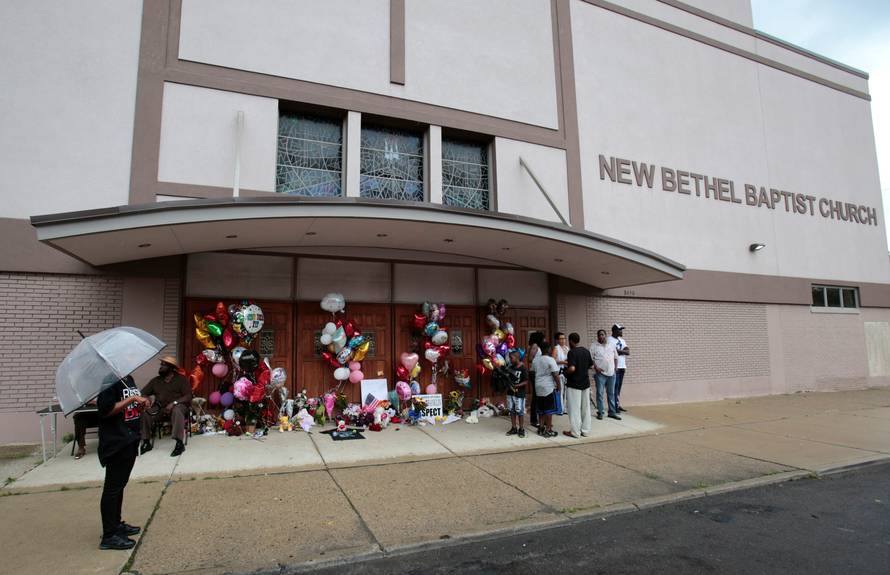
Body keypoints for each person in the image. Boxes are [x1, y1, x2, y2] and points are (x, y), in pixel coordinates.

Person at [97, 374, 150, 550]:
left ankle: (116, 524)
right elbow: (106, 410)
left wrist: (140, 405)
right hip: (116, 441)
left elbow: (130, 409)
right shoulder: (109, 381)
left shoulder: (128, 378)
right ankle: (109, 535)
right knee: (112, 489)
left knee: (120, 485)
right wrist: (133, 399)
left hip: (130, 438)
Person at [140, 356, 191, 457]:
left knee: (177, 410)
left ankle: (179, 443)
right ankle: (146, 442)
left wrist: (174, 403)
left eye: (163, 365)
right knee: (145, 413)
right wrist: (146, 399)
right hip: (160, 408)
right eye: (161, 364)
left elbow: (189, 396)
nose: (160, 367)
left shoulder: (181, 380)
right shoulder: (156, 381)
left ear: (171, 368)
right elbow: (143, 393)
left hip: (178, 406)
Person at [562, 333, 593, 438]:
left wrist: (564, 374)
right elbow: (591, 366)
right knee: (585, 408)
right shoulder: (586, 351)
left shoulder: (572, 352)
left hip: (574, 384)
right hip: (585, 383)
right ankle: (585, 430)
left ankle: (575, 432)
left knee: (574, 409)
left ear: (570, 341)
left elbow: (572, 368)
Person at [532, 341, 560, 437]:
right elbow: (556, 375)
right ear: (548, 349)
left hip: (538, 387)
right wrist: (559, 387)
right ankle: (548, 429)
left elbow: (532, 372)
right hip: (548, 387)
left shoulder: (535, 360)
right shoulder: (550, 360)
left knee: (541, 409)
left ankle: (541, 428)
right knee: (549, 410)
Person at [592, 329, 620, 420]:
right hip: (600, 374)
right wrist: (596, 367)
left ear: (605, 335)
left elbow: (616, 357)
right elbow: (591, 359)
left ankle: (612, 412)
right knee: (600, 393)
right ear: (597, 336)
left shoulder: (611, 345)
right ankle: (600, 412)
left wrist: (615, 368)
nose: (601, 336)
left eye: (602, 334)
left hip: (611, 373)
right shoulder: (594, 346)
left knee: (611, 393)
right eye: (599, 335)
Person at [505, 349, 529, 438]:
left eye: (511, 358)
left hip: (520, 394)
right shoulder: (510, 367)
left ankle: (521, 428)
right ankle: (514, 427)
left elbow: (526, 381)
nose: (510, 360)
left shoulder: (523, 368)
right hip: (510, 393)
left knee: (520, 411)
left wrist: (517, 385)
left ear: (517, 358)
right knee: (511, 410)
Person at [607, 323, 629, 413]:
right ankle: (614, 407)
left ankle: (617, 404)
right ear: (615, 331)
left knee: (618, 387)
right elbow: (611, 351)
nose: (621, 331)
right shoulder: (609, 340)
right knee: (614, 387)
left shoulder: (622, 340)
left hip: (622, 366)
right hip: (614, 367)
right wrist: (621, 351)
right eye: (620, 330)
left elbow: (628, 352)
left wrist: (618, 351)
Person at [526, 331, 545, 428]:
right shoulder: (534, 346)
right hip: (534, 373)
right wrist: (539, 361)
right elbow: (529, 359)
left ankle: (540, 418)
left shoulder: (536, 346)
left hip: (537, 372)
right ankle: (534, 419)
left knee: (538, 395)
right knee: (536, 396)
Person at [551, 332, 569, 415]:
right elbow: (553, 360)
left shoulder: (566, 348)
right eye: (561, 339)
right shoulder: (556, 348)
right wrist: (563, 362)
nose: (563, 340)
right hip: (559, 371)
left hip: (566, 372)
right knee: (560, 390)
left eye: (564, 338)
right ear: (557, 340)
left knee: (566, 391)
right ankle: (559, 408)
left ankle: (565, 408)